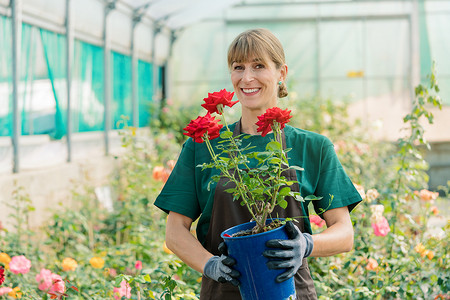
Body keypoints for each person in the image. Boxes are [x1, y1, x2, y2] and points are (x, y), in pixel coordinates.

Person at [154, 28, 362, 299]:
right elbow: (174, 232)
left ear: (281, 73)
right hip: (224, 292)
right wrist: (210, 264)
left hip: (291, 291)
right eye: (238, 67)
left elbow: (344, 234)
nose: (247, 77)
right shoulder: (203, 147)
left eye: (259, 66)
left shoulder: (313, 147)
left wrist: (306, 245)